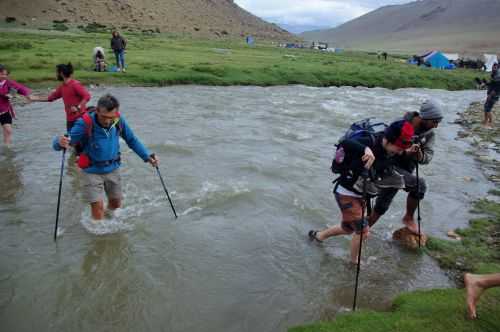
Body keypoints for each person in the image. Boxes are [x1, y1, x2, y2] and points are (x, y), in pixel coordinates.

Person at [309, 120, 415, 263]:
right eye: (400, 147)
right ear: (389, 140)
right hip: (346, 193)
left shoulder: (390, 150)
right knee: (363, 232)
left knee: (348, 228)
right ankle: (354, 263)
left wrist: (408, 152)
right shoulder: (369, 141)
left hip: (360, 194)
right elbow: (345, 143)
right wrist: (365, 149)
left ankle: (318, 236)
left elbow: (393, 156)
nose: (400, 151)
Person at [52, 94, 158, 222]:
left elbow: (132, 140)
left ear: (116, 113)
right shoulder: (85, 123)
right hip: (91, 171)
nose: (107, 121)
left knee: (116, 206)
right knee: (98, 208)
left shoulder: (119, 121)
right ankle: (98, 234)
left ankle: (109, 229)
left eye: (111, 117)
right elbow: (66, 142)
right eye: (104, 117)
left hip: (112, 168)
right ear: (97, 111)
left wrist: (147, 156)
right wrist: (59, 142)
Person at [368, 100, 443, 235]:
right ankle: (408, 218)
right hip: (386, 165)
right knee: (419, 185)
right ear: (425, 117)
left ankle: (358, 233)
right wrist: (405, 151)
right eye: (435, 121)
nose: (436, 126)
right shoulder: (400, 124)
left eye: (438, 122)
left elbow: (427, 158)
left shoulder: (430, 134)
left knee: (382, 206)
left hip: (405, 169)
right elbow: (383, 145)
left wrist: (419, 154)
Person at [30, 63, 91, 132]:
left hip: (80, 119)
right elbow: (50, 98)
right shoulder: (62, 87)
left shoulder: (75, 84)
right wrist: (34, 98)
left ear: (61, 73)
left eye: (57, 72)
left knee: (75, 141)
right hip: (70, 120)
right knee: (70, 141)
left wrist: (78, 107)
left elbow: (87, 96)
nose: (56, 75)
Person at [0, 64, 33, 145]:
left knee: (8, 131)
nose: (4, 76)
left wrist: (28, 95)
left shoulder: (8, 83)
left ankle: (7, 148)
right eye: (2, 74)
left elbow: (20, 88)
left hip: (4, 111)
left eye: (5, 74)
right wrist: (4, 95)